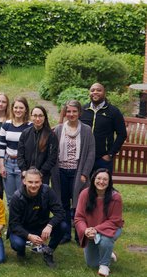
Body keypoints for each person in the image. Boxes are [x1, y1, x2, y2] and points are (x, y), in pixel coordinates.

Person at [51, 99, 95, 243]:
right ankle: (65, 234)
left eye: (74, 111)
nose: (71, 114)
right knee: (63, 202)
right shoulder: (58, 129)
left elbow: (90, 153)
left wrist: (84, 173)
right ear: (65, 113)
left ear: (79, 113)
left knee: (79, 204)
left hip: (78, 172)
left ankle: (79, 233)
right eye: (68, 111)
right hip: (61, 172)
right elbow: (52, 151)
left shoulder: (87, 130)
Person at [8, 168, 65, 268]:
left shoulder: (47, 191)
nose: (33, 185)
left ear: (41, 182)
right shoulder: (16, 197)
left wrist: (49, 225)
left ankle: (48, 252)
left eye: (36, 182)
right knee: (17, 244)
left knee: (63, 226)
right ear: (24, 181)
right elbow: (14, 224)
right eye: (30, 182)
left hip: (42, 226)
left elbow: (60, 212)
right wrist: (29, 236)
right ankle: (21, 252)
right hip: (23, 228)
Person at [74, 169, 125, 277]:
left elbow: (114, 221)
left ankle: (104, 266)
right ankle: (107, 252)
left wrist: (96, 229)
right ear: (93, 180)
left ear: (109, 182)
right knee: (91, 264)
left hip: (112, 228)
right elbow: (79, 218)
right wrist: (86, 230)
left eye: (105, 179)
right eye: (99, 178)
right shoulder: (84, 194)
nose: (101, 182)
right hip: (91, 230)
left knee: (105, 239)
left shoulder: (115, 197)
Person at [80, 83, 127, 176]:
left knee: (103, 186)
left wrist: (110, 154)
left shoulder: (113, 112)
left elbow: (122, 134)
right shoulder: (83, 110)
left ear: (104, 93)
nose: (95, 92)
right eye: (92, 90)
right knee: (82, 186)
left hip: (102, 158)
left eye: (99, 90)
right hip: (83, 157)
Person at [0, 96, 31, 205]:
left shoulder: (30, 126)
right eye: (16, 107)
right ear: (12, 109)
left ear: (26, 109)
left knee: (23, 195)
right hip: (8, 163)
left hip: (22, 165)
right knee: (10, 197)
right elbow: (1, 147)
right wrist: (1, 166)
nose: (18, 110)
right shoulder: (6, 125)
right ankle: (14, 221)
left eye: (21, 108)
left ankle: (23, 221)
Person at [17, 105, 58, 185]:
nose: (37, 119)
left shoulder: (51, 135)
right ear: (31, 117)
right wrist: (24, 170)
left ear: (44, 117)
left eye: (40, 116)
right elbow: (20, 155)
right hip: (26, 175)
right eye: (35, 116)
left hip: (43, 176)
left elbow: (52, 158)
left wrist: (41, 172)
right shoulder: (25, 133)